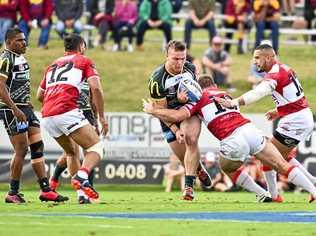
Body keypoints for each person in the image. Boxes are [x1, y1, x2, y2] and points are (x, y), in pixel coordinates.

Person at [143, 74, 316, 202]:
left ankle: (262, 193)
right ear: (215, 85)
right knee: (282, 164)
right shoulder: (226, 94)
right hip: (250, 130)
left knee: (227, 168)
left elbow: (178, 115)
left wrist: (154, 111)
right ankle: (312, 190)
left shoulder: (197, 99)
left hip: (232, 138)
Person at [217, 44, 316, 202]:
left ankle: (302, 189)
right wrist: (278, 110)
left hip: (296, 121)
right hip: (299, 116)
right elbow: (293, 97)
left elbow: (258, 93)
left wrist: (234, 102)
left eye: (257, 58)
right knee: (275, 156)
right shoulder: (285, 68)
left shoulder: (274, 74)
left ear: (269, 57)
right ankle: (280, 193)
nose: (254, 62)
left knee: (269, 156)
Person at [0, 28, 68, 203]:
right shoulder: (5, 59)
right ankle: (12, 192)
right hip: (12, 110)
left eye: (24, 39)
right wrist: (15, 108)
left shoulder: (20, 57)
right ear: (8, 42)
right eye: (19, 40)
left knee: (37, 146)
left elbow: (18, 83)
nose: (24, 43)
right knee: (21, 149)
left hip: (25, 108)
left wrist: (25, 101)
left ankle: (46, 190)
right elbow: (1, 87)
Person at [38, 33, 108, 200]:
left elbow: (40, 95)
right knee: (97, 148)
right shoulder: (84, 60)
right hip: (67, 111)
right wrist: (102, 118)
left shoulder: (53, 65)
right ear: (82, 46)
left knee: (71, 153)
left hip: (47, 116)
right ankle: (81, 176)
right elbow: (96, 89)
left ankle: (81, 195)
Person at [147, 40, 212, 201]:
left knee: (190, 139)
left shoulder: (190, 68)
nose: (180, 62)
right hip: (168, 116)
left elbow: (196, 94)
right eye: (175, 59)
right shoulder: (157, 80)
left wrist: (185, 101)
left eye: (182, 58)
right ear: (166, 56)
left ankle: (188, 188)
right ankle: (198, 168)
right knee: (184, 156)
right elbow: (161, 111)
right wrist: (175, 130)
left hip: (188, 112)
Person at [38, 81, 98, 204]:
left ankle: (56, 181)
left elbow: (93, 97)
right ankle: (82, 193)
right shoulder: (64, 75)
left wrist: (95, 119)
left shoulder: (88, 74)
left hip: (86, 113)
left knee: (88, 151)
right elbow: (41, 95)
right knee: (72, 151)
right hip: (69, 113)